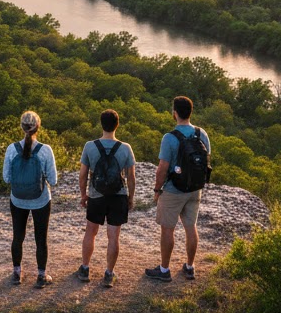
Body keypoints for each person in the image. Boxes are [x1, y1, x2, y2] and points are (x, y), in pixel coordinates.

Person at [146, 95, 211, 283]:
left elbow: (162, 168)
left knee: (168, 229)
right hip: (194, 189)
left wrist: (157, 190)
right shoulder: (202, 134)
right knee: (191, 227)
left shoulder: (169, 138)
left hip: (174, 190)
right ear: (191, 112)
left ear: (175, 114)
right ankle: (190, 267)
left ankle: (164, 270)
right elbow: (206, 161)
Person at [78, 109, 136, 288]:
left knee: (91, 232)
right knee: (113, 237)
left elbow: (83, 175)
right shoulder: (125, 148)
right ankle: (109, 274)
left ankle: (85, 268)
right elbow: (131, 177)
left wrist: (83, 195)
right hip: (118, 196)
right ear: (117, 125)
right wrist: (130, 198)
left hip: (96, 195)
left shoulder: (90, 146)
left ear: (101, 124)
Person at [2, 110, 58, 288]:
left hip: (17, 200)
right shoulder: (45, 150)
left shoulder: (12, 149)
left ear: (21, 127)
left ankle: (17, 273)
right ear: (38, 127)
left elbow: (6, 178)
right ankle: (41, 276)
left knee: (18, 236)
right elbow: (53, 180)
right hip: (41, 200)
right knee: (41, 238)